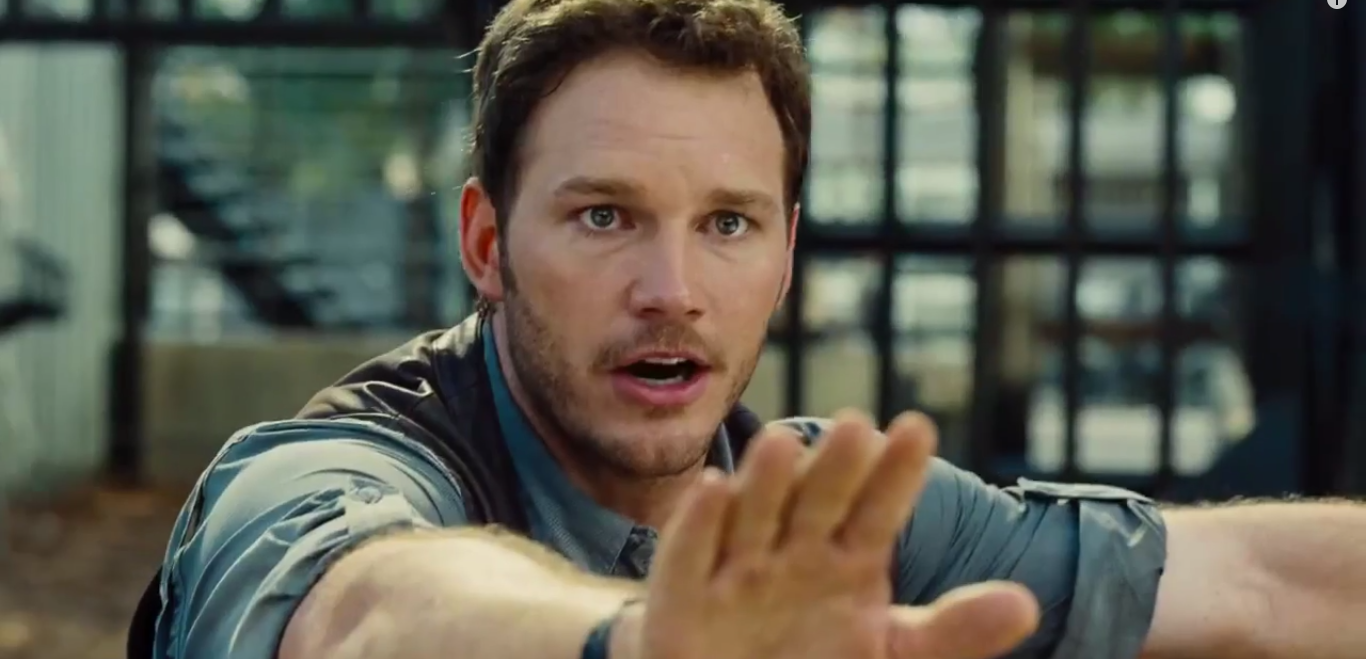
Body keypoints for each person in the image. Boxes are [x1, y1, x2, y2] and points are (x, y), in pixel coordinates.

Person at [128, 1, 1366, 658]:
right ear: (487, 242)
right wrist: (635, 641)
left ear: (783, 255)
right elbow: (372, 614)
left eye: (726, 222)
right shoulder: (329, 471)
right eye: (604, 215)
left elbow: (1256, 584)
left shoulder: (830, 519)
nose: (671, 287)